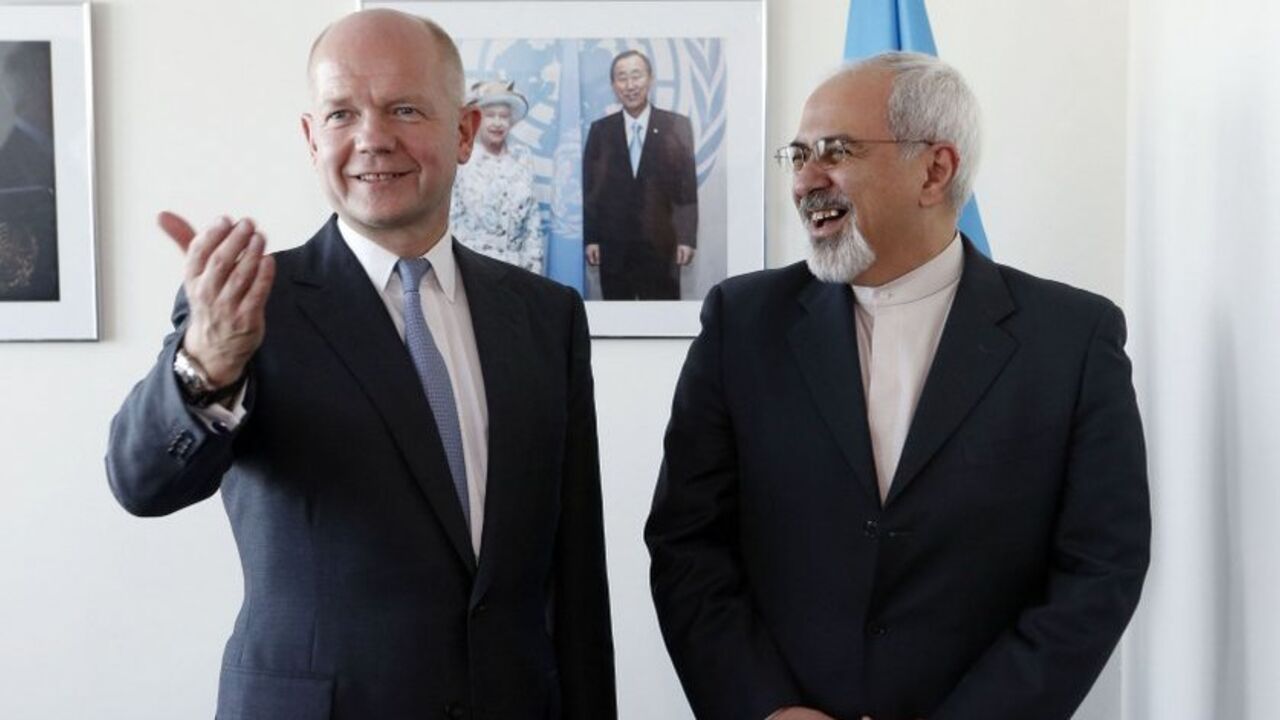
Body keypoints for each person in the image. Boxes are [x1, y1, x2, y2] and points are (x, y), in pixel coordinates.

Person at [105, 10, 615, 719]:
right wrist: (206, 363)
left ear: (464, 132)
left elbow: (577, 574)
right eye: (342, 113)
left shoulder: (545, 316)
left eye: (405, 108)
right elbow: (141, 482)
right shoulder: (252, 305)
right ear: (312, 139)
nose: (373, 137)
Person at [645, 51, 1150, 720]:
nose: (806, 183)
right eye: (796, 157)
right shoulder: (742, 324)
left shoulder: (1072, 340)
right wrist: (765, 709)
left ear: (934, 170)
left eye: (834, 152)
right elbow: (688, 544)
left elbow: (1099, 568)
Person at [583, 49, 697, 300]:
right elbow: (591, 190)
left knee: (663, 320)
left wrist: (686, 238)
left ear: (651, 79)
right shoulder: (600, 131)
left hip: (662, 245)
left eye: (636, 76)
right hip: (614, 248)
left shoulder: (676, 126)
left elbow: (686, 188)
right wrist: (591, 239)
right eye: (622, 77)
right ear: (613, 85)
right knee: (617, 321)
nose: (630, 85)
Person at [450, 80, 545, 273]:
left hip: (517, 269)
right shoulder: (463, 160)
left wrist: (533, 270)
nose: (497, 123)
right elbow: (452, 220)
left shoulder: (522, 157)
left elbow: (532, 221)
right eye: (490, 116)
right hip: (473, 268)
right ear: (477, 120)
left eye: (504, 116)